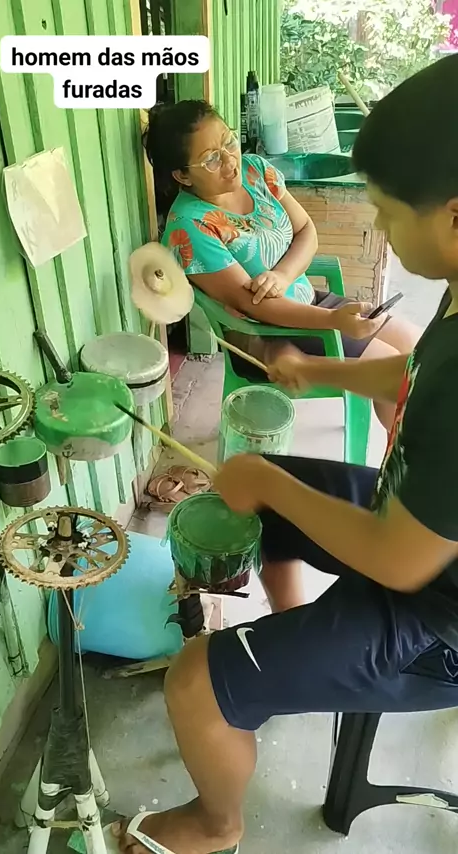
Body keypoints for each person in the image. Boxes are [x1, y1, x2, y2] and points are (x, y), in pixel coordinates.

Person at [114, 54, 458, 854]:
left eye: (385, 213)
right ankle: (291, 642)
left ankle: (215, 824)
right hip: (419, 534)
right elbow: (412, 370)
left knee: (193, 681)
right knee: (260, 505)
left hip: (438, 617)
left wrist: (267, 475)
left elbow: (399, 561)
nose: (379, 231)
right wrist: (321, 367)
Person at [143, 99, 420, 431]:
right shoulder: (189, 226)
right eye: (211, 159)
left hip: (308, 302)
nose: (230, 160)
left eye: (228, 142)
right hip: (269, 335)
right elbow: (253, 304)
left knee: (417, 347)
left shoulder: (254, 171)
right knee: (396, 375)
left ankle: (414, 448)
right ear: (182, 175)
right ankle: (403, 459)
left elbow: (306, 231)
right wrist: (333, 321)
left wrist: (283, 275)